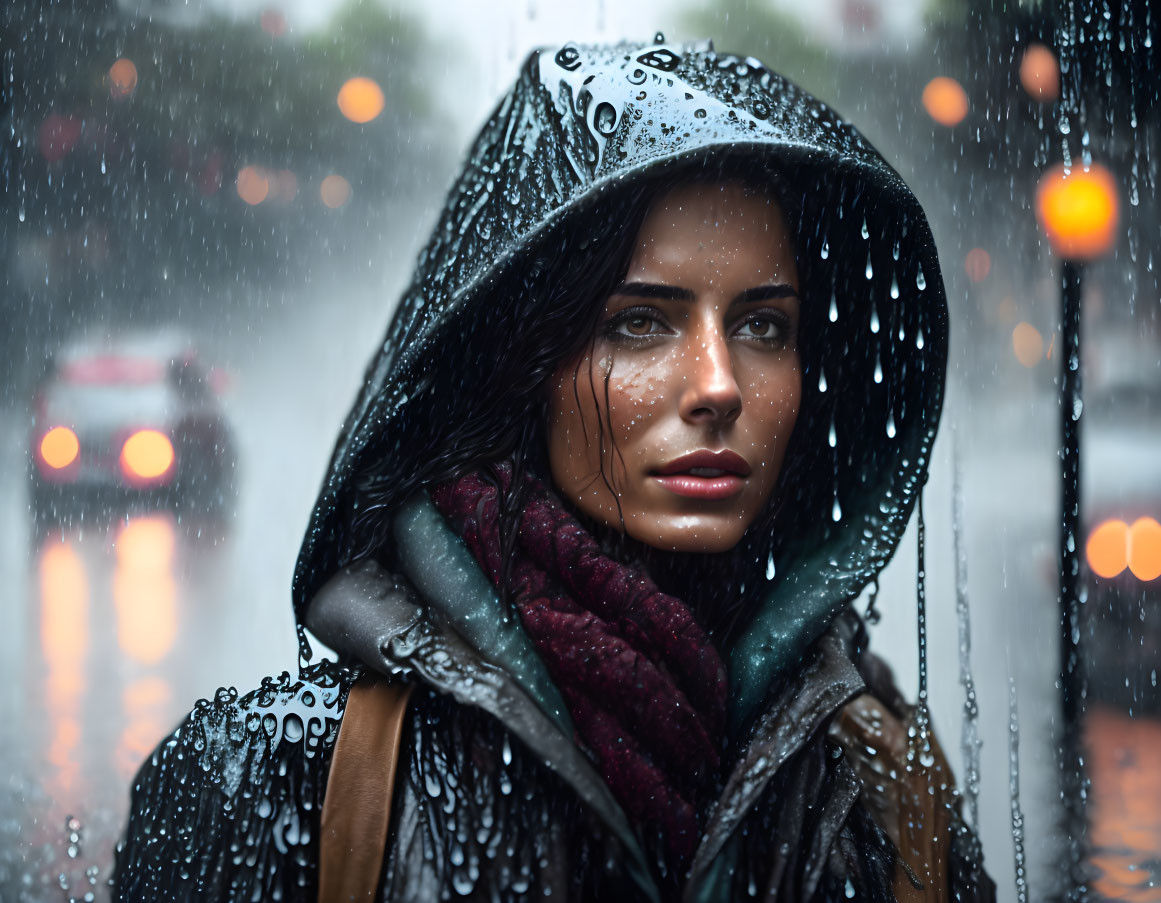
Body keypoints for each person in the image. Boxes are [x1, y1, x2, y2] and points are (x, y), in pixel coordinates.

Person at [114, 38, 995, 902]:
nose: (718, 386)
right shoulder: (273, 773)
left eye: (763, 327)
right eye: (640, 324)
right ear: (522, 365)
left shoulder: (879, 792)